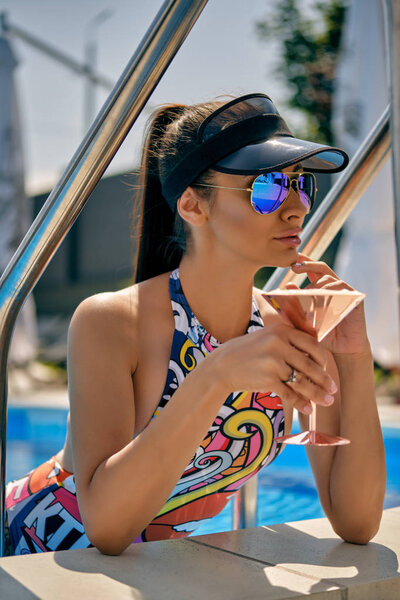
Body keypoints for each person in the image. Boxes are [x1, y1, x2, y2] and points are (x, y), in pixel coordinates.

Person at [5, 93, 386, 556]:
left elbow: (358, 522)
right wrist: (216, 373)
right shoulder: (113, 322)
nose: (296, 207)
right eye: (266, 188)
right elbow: (104, 525)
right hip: (29, 551)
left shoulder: (290, 326)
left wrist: (354, 354)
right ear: (192, 206)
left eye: (300, 185)